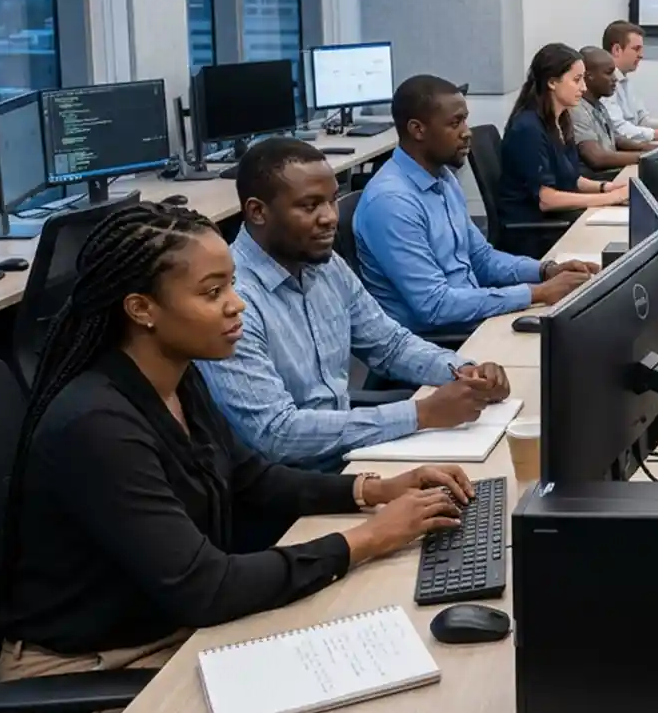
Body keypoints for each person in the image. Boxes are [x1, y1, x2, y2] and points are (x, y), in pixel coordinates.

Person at [0, 202, 473, 713]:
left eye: (232, 285)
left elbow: (252, 478)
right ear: (141, 309)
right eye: (211, 292)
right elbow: (208, 587)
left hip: (168, 632)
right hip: (88, 678)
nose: (236, 305)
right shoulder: (98, 425)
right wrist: (369, 538)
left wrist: (371, 489)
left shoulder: (175, 378)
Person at [200, 138, 515, 471]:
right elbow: (276, 434)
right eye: (310, 206)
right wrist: (420, 414)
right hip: (293, 485)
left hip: (353, 453)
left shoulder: (324, 265)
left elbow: (389, 345)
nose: (329, 218)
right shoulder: (233, 303)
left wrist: (462, 371)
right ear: (257, 211)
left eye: (332, 201)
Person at [356, 75, 596, 337]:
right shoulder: (392, 202)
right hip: (442, 341)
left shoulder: (442, 178)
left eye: (465, 120)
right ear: (417, 130)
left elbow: (481, 258)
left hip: (472, 317)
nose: (466, 132)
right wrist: (537, 292)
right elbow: (435, 306)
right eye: (455, 123)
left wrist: (545, 270)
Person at [500, 43, 629, 224]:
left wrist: (606, 187)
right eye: (577, 80)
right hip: (538, 227)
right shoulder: (528, 129)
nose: (584, 88)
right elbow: (547, 199)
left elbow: (570, 178)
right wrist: (610, 198)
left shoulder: (560, 120)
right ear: (552, 82)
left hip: (558, 216)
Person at [571, 46, 656, 172]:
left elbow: (615, 139)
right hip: (597, 180)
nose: (615, 78)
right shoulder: (577, 110)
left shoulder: (598, 104)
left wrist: (652, 149)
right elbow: (597, 158)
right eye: (608, 73)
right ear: (589, 76)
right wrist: (645, 157)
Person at [603, 20, 658, 143]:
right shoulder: (604, 83)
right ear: (617, 50)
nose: (641, 55)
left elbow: (641, 120)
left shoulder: (624, 80)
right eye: (636, 49)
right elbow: (618, 129)